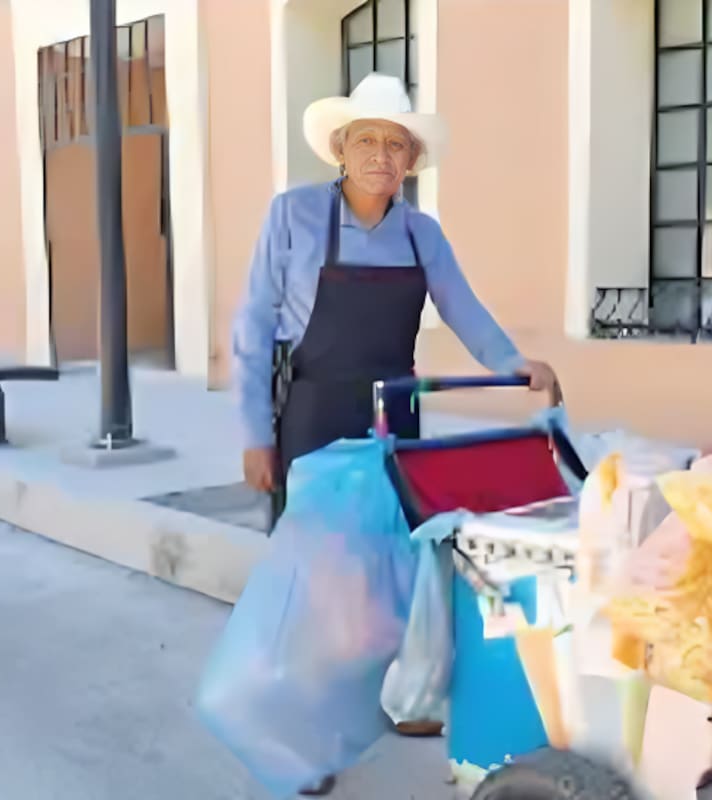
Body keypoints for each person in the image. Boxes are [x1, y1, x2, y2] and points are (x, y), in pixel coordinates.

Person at [231, 73, 558, 796]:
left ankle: (401, 697)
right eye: (368, 140)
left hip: (394, 413)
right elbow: (252, 329)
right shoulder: (293, 215)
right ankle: (305, 739)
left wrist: (513, 365)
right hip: (313, 413)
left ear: (410, 162)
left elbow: (464, 310)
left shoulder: (421, 233)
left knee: (389, 566)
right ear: (342, 150)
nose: (382, 154)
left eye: (396, 144)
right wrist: (257, 435)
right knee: (313, 577)